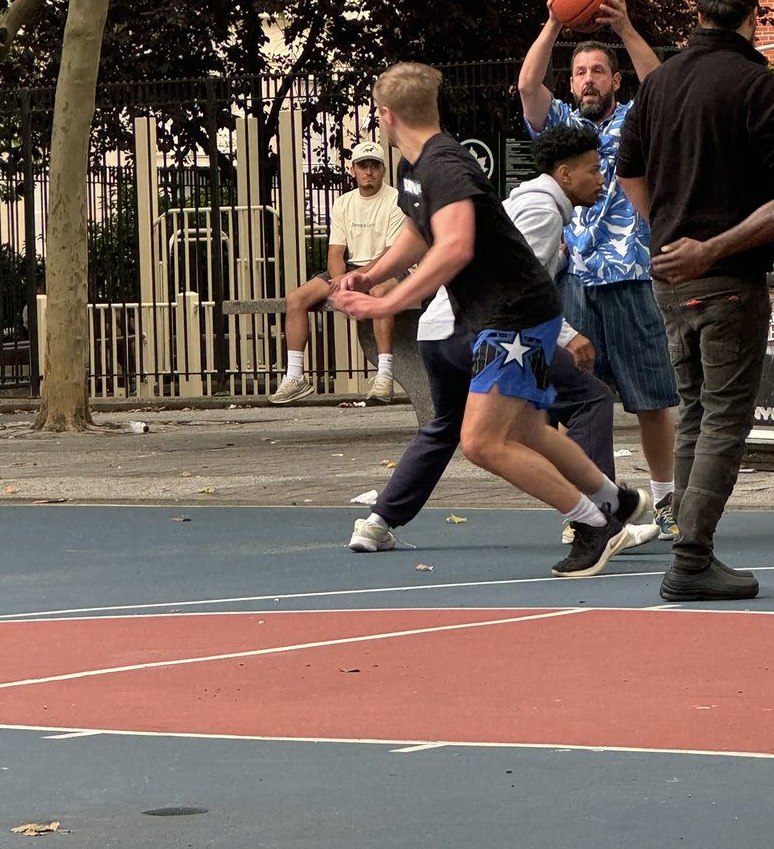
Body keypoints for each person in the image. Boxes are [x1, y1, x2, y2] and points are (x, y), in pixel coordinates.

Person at [332, 62, 648, 579]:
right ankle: (617, 500)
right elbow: (420, 231)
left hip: (513, 315)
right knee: (524, 428)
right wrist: (371, 276)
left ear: (384, 114)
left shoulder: (444, 165)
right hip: (506, 314)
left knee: (480, 442)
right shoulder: (419, 166)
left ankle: (593, 524)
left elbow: (455, 245)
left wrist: (390, 303)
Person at [617, 0, 774, 602]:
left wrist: (668, 228)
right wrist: (709, 244)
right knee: (723, 422)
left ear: (698, 11)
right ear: (753, 18)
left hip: (670, 278)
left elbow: (627, 173)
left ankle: (688, 546)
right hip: (725, 277)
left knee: (695, 416)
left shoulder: (660, 85)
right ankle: (690, 557)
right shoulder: (756, 85)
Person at [518, 0, 680, 539]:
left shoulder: (637, 118)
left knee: (652, 399)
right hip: (576, 282)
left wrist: (627, 28)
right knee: (580, 403)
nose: (588, 78)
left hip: (631, 275)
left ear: (615, 81)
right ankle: (596, 508)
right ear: (572, 83)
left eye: (598, 71)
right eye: (580, 72)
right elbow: (526, 85)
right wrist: (555, 23)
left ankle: (664, 504)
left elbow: (662, 84)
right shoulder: (562, 125)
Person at [268, 140, 405, 405]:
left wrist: (354, 278)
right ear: (352, 170)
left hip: (390, 268)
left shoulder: (395, 200)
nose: (369, 172)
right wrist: (339, 279)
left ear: (383, 170)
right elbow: (335, 252)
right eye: (362, 166)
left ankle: (385, 376)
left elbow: (392, 254)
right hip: (353, 269)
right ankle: (295, 376)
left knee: (379, 293)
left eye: (374, 166)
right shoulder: (343, 203)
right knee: (296, 298)